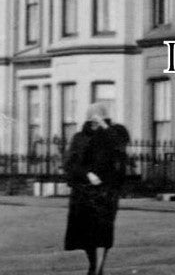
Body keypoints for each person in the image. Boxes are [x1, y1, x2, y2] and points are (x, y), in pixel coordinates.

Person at [63, 101, 129, 275]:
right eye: (92, 119)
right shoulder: (79, 138)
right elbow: (70, 164)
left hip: (106, 192)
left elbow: (119, 148)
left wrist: (104, 125)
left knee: (103, 233)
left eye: (98, 118)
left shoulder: (115, 132)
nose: (94, 123)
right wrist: (87, 174)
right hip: (83, 193)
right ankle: (94, 264)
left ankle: (97, 269)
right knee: (86, 235)